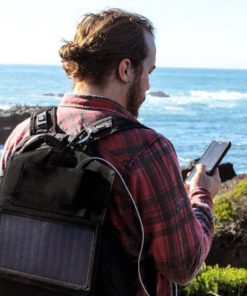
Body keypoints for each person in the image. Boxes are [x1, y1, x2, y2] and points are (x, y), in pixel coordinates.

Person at [0, 8, 220, 296]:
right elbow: (184, 264)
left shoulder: (25, 134)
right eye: (149, 71)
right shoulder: (147, 150)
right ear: (126, 69)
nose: (149, 85)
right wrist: (201, 196)